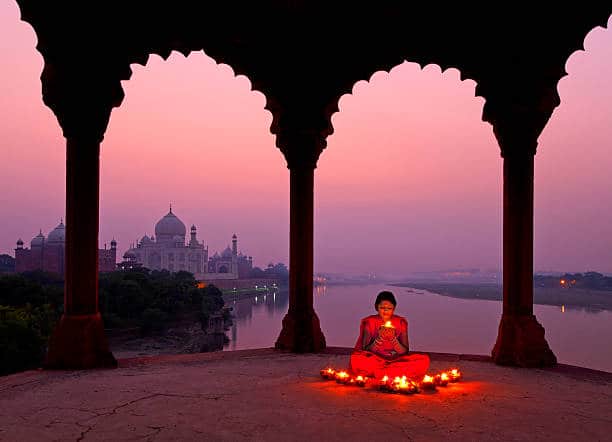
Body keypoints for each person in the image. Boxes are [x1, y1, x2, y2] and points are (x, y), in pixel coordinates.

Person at [349, 290, 430, 379]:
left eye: (389, 308)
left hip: (395, 360)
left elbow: (405, 351)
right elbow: (365, 350)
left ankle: (381, 373)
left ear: (394, 308)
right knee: (356, 359)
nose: (385, 311)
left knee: (423, 360)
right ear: (376, 307)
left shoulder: (401, 322)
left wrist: (393, 339)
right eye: (382, 308)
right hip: (375, 359)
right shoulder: (369, 322)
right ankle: (391, 373)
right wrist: (379, 339)